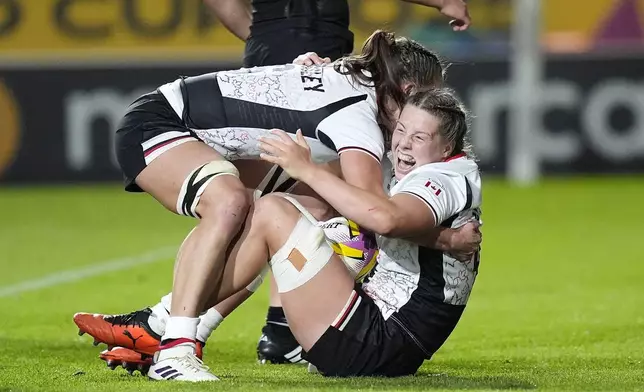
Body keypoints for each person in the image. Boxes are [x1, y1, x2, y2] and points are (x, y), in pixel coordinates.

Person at [73, 31, 479, 380]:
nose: (433, 106)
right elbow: (377, 214)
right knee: (234, 203)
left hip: (188, 127)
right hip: (161, 124)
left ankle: (166, 324)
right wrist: (443, 238)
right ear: (408, 92)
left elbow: (365, 209)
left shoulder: (350, 80)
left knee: (315, 204)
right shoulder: (360, 119)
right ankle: (176, 345)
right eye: (430, 96)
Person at [144, 86, 481, 380]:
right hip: (379, 340)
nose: (403, 145)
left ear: (447, 145)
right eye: (402, 130)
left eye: (419, 137)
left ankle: (171, 332)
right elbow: (395, 226)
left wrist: (305, 168)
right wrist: (445, 239)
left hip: (374, 343)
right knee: (280, 214)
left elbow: (386, 218)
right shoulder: (444, 171)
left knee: (274, 212)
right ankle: (177, 328)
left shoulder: (438, 179)